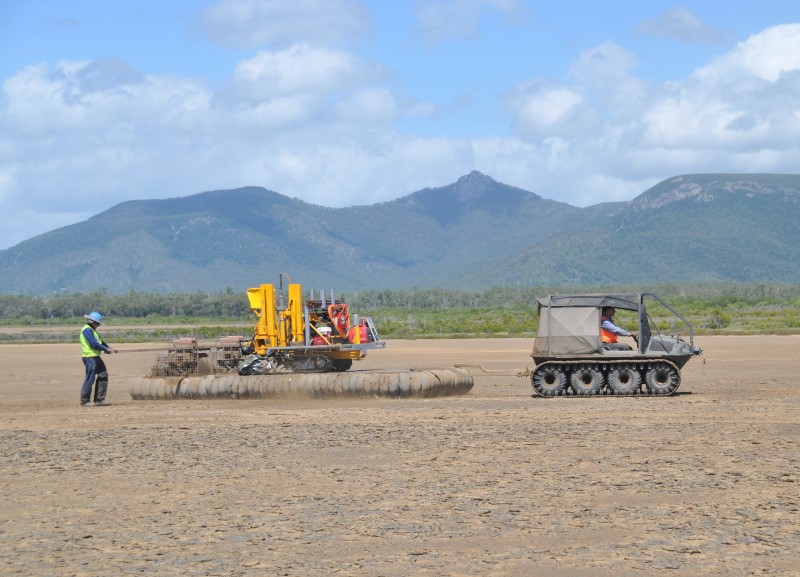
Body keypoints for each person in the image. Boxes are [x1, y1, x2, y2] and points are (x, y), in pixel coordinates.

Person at [80, 311, 117, 407]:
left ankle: (99, 399)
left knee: (103, 374)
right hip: (89, 357)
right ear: (93, 322)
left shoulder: (92, 330)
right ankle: (85, 401)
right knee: (90, 378)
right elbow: (94, 344)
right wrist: (105, 349)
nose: (98, 325)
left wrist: (109, 347)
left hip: (95, 356)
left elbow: (100, 342)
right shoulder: (87, 330)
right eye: (98, 323)